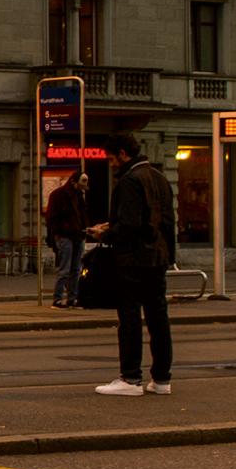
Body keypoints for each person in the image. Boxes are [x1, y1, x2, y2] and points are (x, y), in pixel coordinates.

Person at [91, 132, 175, 396]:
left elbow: (129, 225)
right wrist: (168, 257)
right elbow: (168, 222)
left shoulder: (130, 181)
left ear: (123, 154)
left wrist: (103, 233)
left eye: (112, 158)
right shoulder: (160, 178)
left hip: (132, 259)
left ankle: (130, 378)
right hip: (157, 258)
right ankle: (162, 379)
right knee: (158, 318)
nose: (111, 163)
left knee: (129, 318)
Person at [46, 173, 88, 308]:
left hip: (77, 235)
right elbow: (51, 218)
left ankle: (72, 298)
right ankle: (58, 299)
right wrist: (58, 232)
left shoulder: (78, 195)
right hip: (65, 236)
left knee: (75, 269)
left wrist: (85, 228)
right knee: (65, 268)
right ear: (74, 182)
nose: (84, 186)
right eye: (83, 182)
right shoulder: (58, 195)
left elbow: (82, 214)